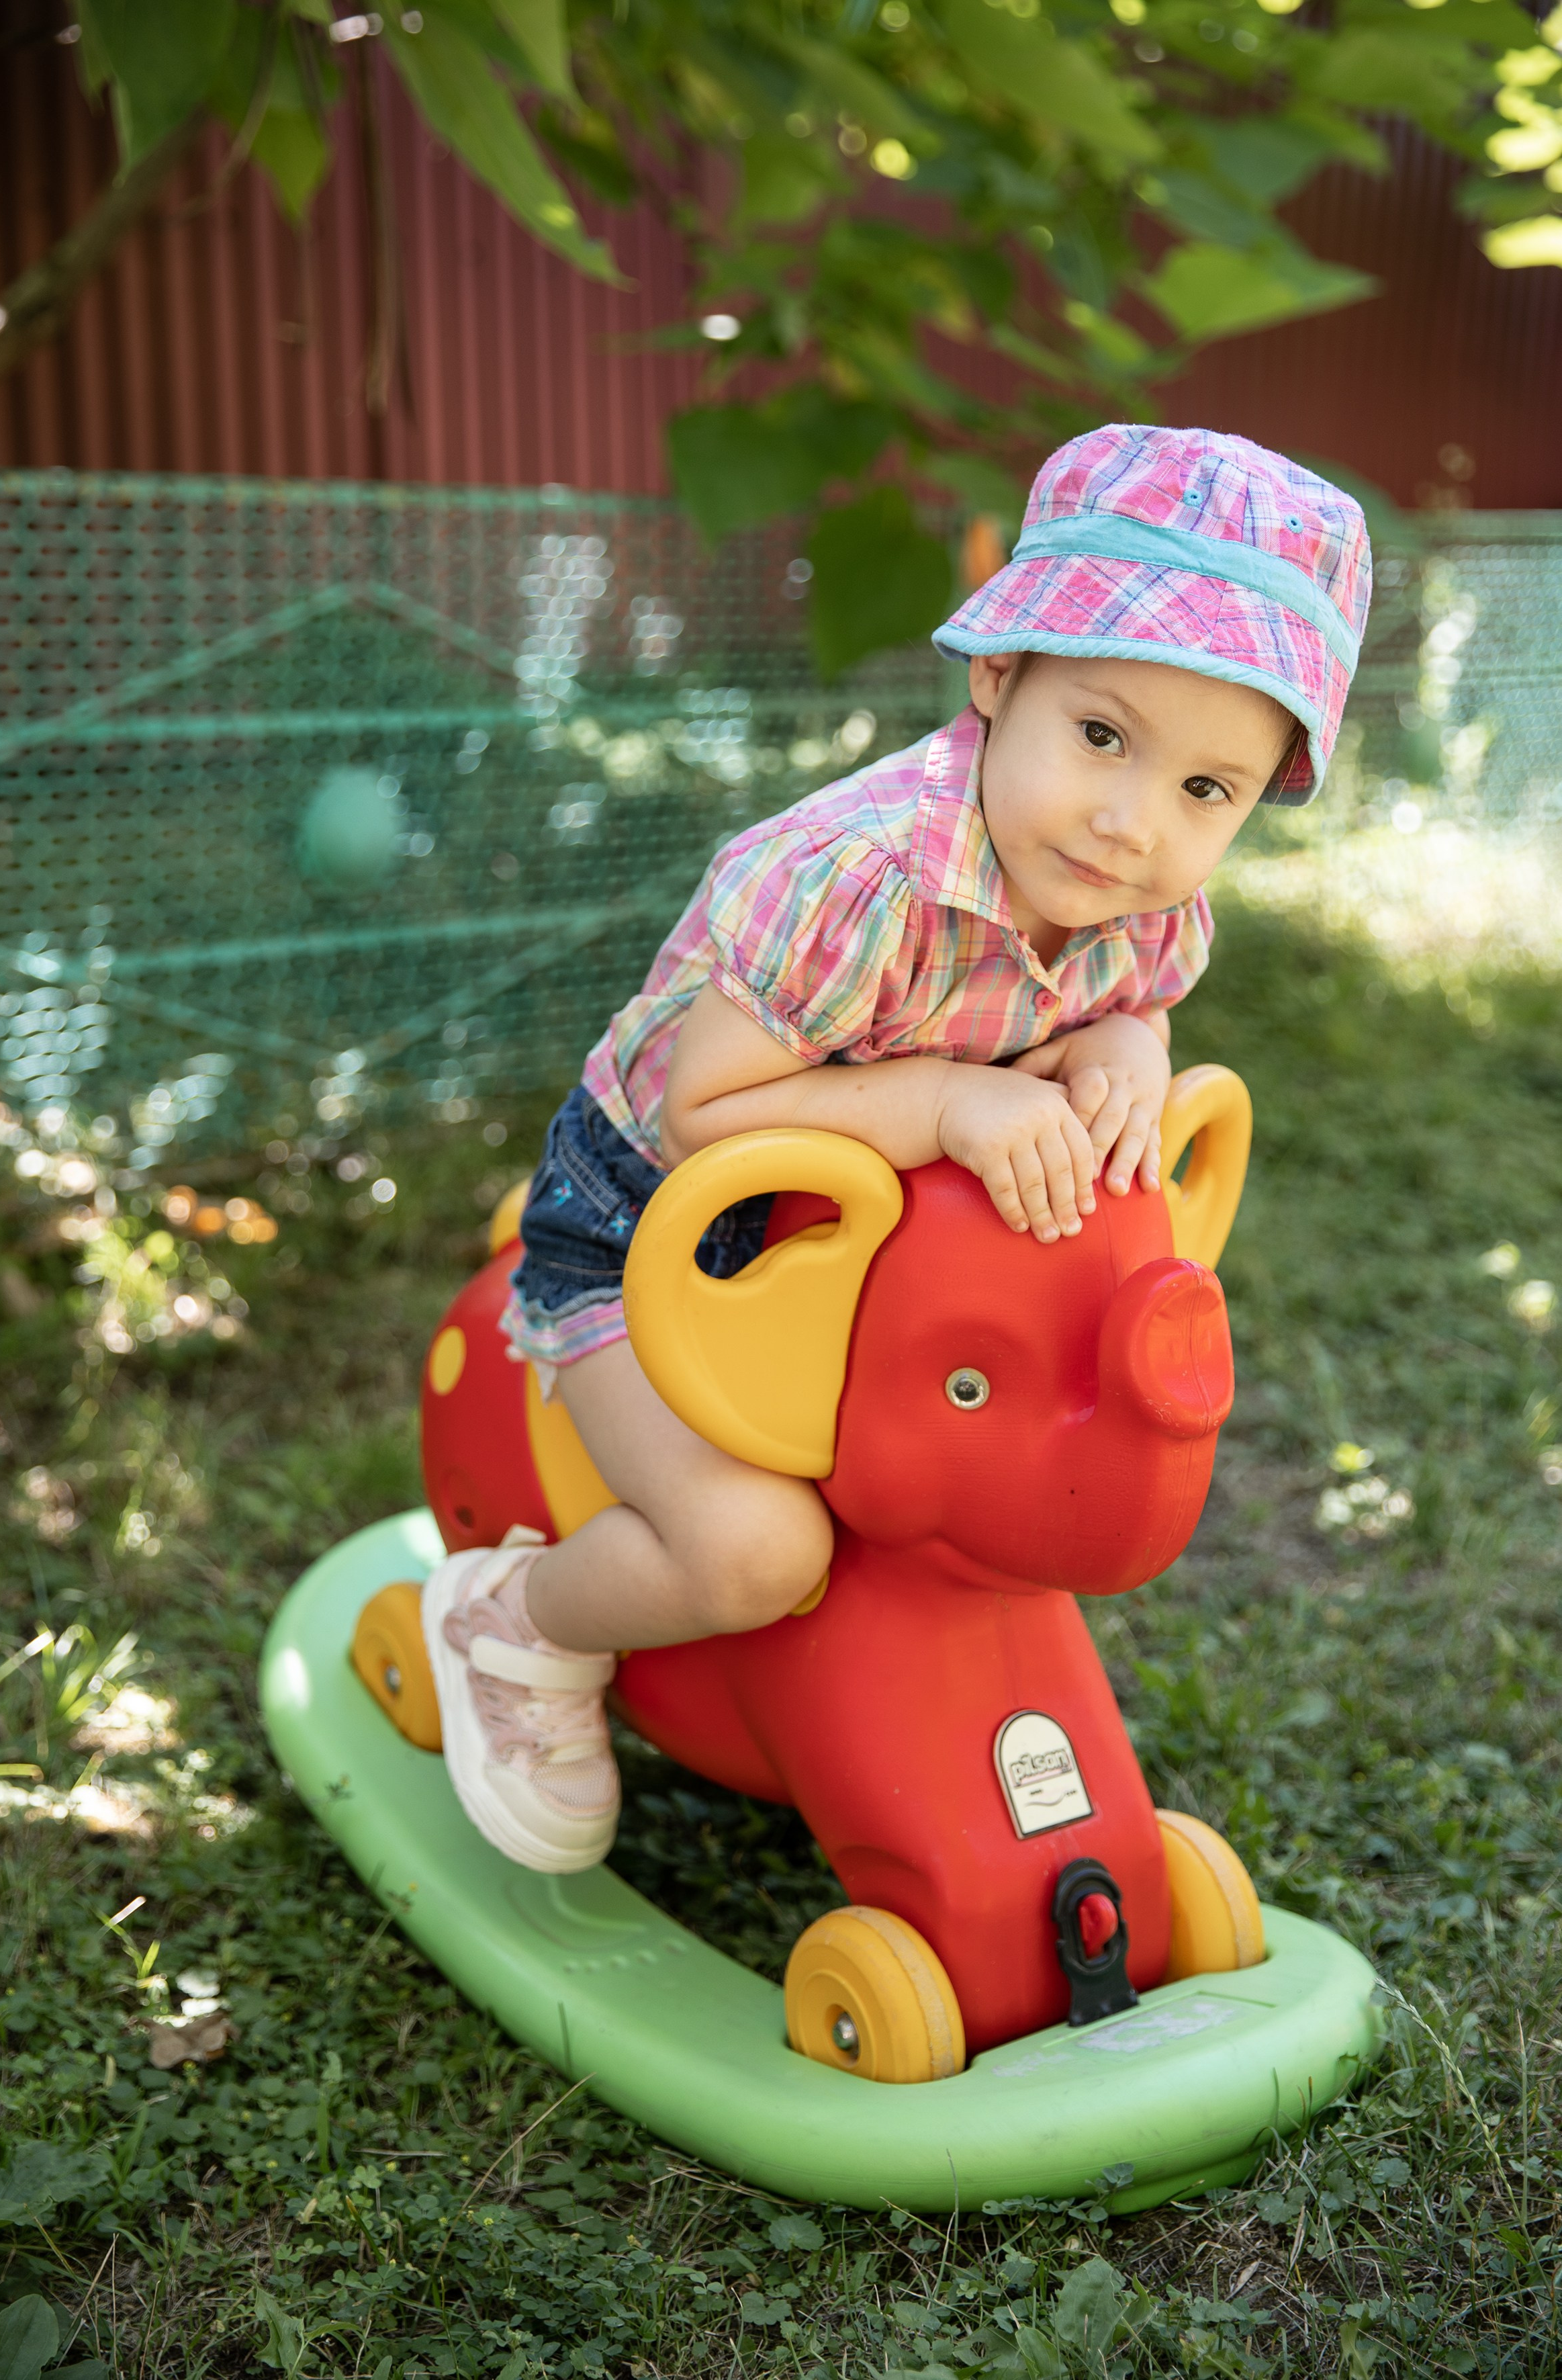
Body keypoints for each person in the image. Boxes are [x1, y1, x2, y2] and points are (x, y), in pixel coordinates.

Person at [422, 422, 1372, 1874]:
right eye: (1102, 737)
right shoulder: (852, 875)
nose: (1131, 825)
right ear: (998, 679)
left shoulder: (1144, 903)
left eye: (1206, 791)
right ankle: (515, 1620)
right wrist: (945, 1101)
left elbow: (1135, 1003)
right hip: (658, 1225)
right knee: (759, 1550)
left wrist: (1124, 1051)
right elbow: (706, 1111)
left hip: (871, 1263)